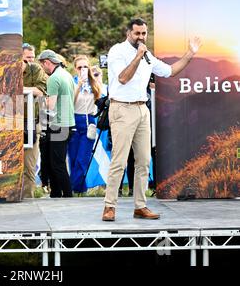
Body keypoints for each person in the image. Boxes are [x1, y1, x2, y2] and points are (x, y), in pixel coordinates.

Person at [102, 18, 202, 221]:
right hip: (122, 109)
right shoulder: (117, 51)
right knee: (119, 161)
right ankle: (109, 206)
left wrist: (190, 53)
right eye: (137, 33)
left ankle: (140, 206)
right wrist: (138, 56)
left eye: (144, 33)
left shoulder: (147, 55)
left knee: (144, 161)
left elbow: (170, 71)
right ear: (128, 33)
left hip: (142, 110)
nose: (141, 37)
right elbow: (122, 78)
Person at [38, 49, 75, 198]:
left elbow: (50, 106)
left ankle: (67, 195)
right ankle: (56, 193)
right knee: (57, 162)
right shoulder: (67, 75)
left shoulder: (53, 79)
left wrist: (39, 99)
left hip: (58, 124)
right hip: (68, 122)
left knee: (57, 164)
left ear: (47, 62)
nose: (43, 69)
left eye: (42, 66)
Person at [67, 55, 102, 194]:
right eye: (80, 67)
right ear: (75, 69)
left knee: (83, 158)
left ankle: (72, 189)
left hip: (89, 121)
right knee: (73, 158)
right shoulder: (72, 83)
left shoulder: (94, 83)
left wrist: (97, 79)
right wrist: (80, 85)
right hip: (75, 119)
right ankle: (80, 188)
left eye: (85, 66)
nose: (83, 69)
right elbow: (70, 102)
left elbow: (99, 100)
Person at [21, 43, 48, 198]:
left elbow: (40, 91)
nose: (30, 61)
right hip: (9, 123)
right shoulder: (7, 69)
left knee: (29, 165)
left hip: (31, 123)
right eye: (27, 58)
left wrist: (18, 90)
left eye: (32, 58)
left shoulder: (36, 70)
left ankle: (28, 199)